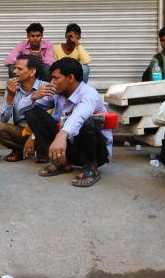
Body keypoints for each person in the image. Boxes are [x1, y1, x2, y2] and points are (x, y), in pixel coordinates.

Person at [20, 57, 112, 187]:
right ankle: (62, 163)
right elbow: (21, 110)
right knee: (32, 112)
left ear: (70, 78)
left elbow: (79, 116)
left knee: (86, 121)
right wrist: (33, 97)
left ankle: (91, 167)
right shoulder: (57, 92)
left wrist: (62, 134)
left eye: (55, 78)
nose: (51, 82)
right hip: (67, 149)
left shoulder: (89, 94)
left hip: (96, 153)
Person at [0, 54, 42, 162]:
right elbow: (1, 121)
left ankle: (42, 151)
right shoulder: (12, 89)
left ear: (32, 72)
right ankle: (19, 149)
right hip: (22, 132)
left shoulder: (45, 88)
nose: (14, 71)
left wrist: (34, 136)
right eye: (15, 68)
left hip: (41, 133)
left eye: (19, 69)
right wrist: (10, 98)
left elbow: (53, 118)